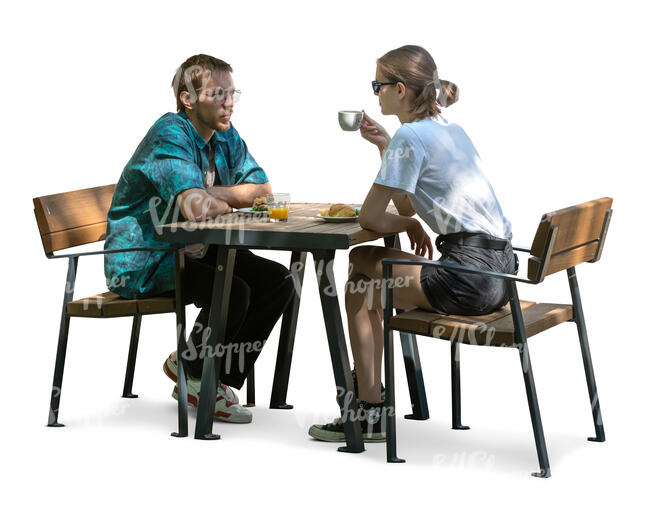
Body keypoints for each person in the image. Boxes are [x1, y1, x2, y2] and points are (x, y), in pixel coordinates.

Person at [309, 45, 517, 442]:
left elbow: (371, 218)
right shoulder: (446, 129)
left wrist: (406, 222)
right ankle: (370, 403)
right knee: (366, 279)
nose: (375, 93)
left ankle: (368, 407)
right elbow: (408, 201)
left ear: (400, 89)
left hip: (469, 280)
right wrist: (385, 148)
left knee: (361, 264)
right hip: (502, 272)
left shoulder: (410, 135)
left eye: (378, 85)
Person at [104, 54, 295, 424]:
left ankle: (200, 369)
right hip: (143, 261)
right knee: (233, 290)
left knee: (279, 281)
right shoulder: (170, 134)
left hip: (194, 251)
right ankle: (198, 377)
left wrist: (214, 192)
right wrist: (218, 196)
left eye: (232, 93)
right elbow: (197, 209)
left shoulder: (224, 133)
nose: (229, 103)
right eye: (218, 93)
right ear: (187, 99)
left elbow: (264, 192)